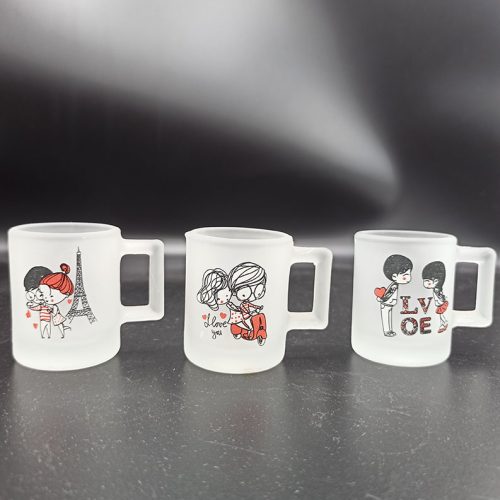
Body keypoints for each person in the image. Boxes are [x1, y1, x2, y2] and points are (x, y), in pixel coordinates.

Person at [375, 254, 413, 337]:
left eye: (409, 275)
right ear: (394, 276)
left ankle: (389, 330)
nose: (409, 279)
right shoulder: (393, 286)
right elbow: (388, 294)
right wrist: (381, 299)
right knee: (386, 317)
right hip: (386, 304)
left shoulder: (395, 285)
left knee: (388, 316)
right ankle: (387, 331)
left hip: (390, 304)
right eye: (405, 277)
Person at [422, 261, 449, 333]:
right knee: (441, 314)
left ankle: (444, 323)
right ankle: (443, 323)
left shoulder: (437, 290)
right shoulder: (436, 289)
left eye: (428, 281)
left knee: (441, 314)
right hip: (440, 304)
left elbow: (441, 296)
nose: (425, 284)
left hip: (441, 304)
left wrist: (442, 300)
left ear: (436, 281)